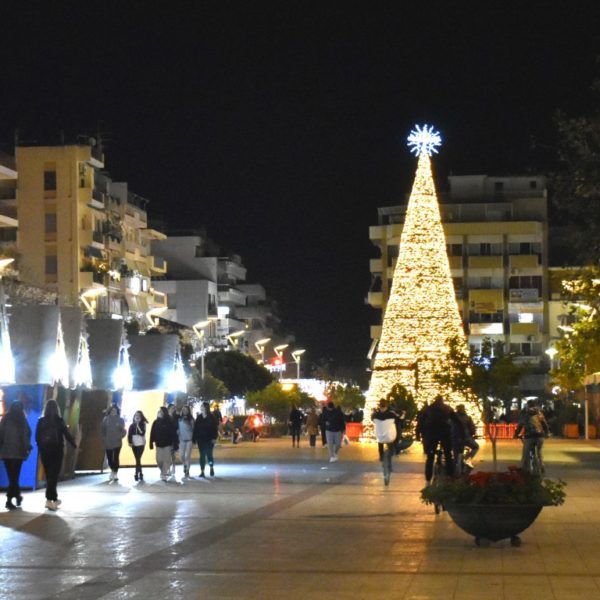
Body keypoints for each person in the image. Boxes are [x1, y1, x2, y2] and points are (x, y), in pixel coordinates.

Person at [35, 400, 77, 510]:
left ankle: (53, 498)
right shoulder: (59, 421)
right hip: (57, 452)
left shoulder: (41, 421)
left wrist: (41, 449)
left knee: (50, 476)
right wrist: (74, 445)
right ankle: (49, 500)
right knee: (53, 476)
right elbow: (67, 435)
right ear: (56, 409)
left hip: (45, 452)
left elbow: (37, 437)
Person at [0, 401, 32, 510]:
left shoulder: (5, 419)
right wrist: (28, 447)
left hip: (6, 452)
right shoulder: (22, 420)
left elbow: (0, 434)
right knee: (14, 477)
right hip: (18, 453)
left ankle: (17, 497)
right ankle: (10, 500)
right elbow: (27, 435)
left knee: (12, 477)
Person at [418, 395, 455, 482]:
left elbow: (421, 422)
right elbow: (456, 420)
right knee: (448, 455)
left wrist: (419, 434)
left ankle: (428, 477)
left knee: (430, 457)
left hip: (431, 435)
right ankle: (450, 475)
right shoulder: (447, 408)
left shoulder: (429, 409)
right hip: (445, 434)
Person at [514, 400, 549, 472]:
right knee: (539, 451)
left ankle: (524, 469)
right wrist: (547, 433)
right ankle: (542, 465)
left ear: (528, 405)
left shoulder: (525, 414)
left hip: (529, 436)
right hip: (540, 436)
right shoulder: (539, 413)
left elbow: (520, 426)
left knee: (525, 453)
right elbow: (545, 424)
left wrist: (516, 435)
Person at [372, 399, 398, 486]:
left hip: (380, 436)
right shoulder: (391, 414)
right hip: (389, 436)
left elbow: (373, 419)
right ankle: (388, 460)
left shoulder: (376, 415)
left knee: (380, 443)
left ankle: (381, 457)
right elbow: (398, 420)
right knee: (391, 447)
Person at [150, 406, 177, 481]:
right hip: (158, 444)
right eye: (159, 412)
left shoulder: (169, 422)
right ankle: (163, 471)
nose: (160, 413)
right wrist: (151, 442)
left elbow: (173, 433)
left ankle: (164, 473)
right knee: (159, 460)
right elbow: (152, 433)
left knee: (166, 460)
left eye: (161, 411)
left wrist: (174, 443)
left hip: (167, 444)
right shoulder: (155, 422)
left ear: (164, 413)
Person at [101, 404, 126, 482]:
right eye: (112, 410)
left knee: (116, 457)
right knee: (109, 458)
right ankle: (112, 469)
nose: (113, 412)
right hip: (108, 442)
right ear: (110, 411)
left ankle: (115, 472)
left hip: (117, 442)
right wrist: (104, 438)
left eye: (115, 410)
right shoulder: (106, 419)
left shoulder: (120, 420)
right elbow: (102, 430)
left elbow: (124, 431)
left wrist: (120, 437)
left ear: (117, 411)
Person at [193, 402, 218, 477]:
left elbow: (214, 428)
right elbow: (196, 428)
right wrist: (195, 438)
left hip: (209, 440)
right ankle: (202, 471)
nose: (201, 407)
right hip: (201, 440)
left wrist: (214, 438)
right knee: (202, 456)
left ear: (205, 407)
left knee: (209, 455)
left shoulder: (211, 417)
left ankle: (211, 467)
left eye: (202, 406)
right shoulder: (199, 417)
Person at [451, 404, 479, 471]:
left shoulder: (452, 418)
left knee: (456, 453)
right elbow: (472, 428)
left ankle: (456, 469)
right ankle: (467, 458)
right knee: (475, 447)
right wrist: (472, 434)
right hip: (466, 437)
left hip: (455, 438)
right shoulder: (467, 417)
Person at [127, 411, 148, 482]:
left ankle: (136, 473)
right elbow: (129, 434)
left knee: (138, 459)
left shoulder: (143, 424)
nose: (137, 416)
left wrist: (138, 425)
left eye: (138, 415)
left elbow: (142, 433)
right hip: (134, 443)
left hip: (141, 443)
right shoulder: (131, 425)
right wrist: (129, 442)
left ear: (141, 417)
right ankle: (140, 473)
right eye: (136, 415)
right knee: (137, 459)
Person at [178, 405, 195, 479]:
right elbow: (178, 428)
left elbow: (194, 429)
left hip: (189, 440)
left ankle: (187, 470)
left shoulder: (191, 419)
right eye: (183, 409)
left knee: (187, 456)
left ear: (188, 411)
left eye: (186, 410)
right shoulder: (179, 419)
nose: (185, 411)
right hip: (181, 440)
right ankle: (184, 465)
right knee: (181, 456)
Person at [167, 404, 179, 477]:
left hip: (173, 437)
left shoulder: (176, 417)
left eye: (174, 408)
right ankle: (168, 468)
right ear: (169, 409)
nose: (173, 409)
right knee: (168, 453)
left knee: (172, 453)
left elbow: (178, 426)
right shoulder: (166, 417)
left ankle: (173, 466)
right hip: (167, 437)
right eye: (172, 408)